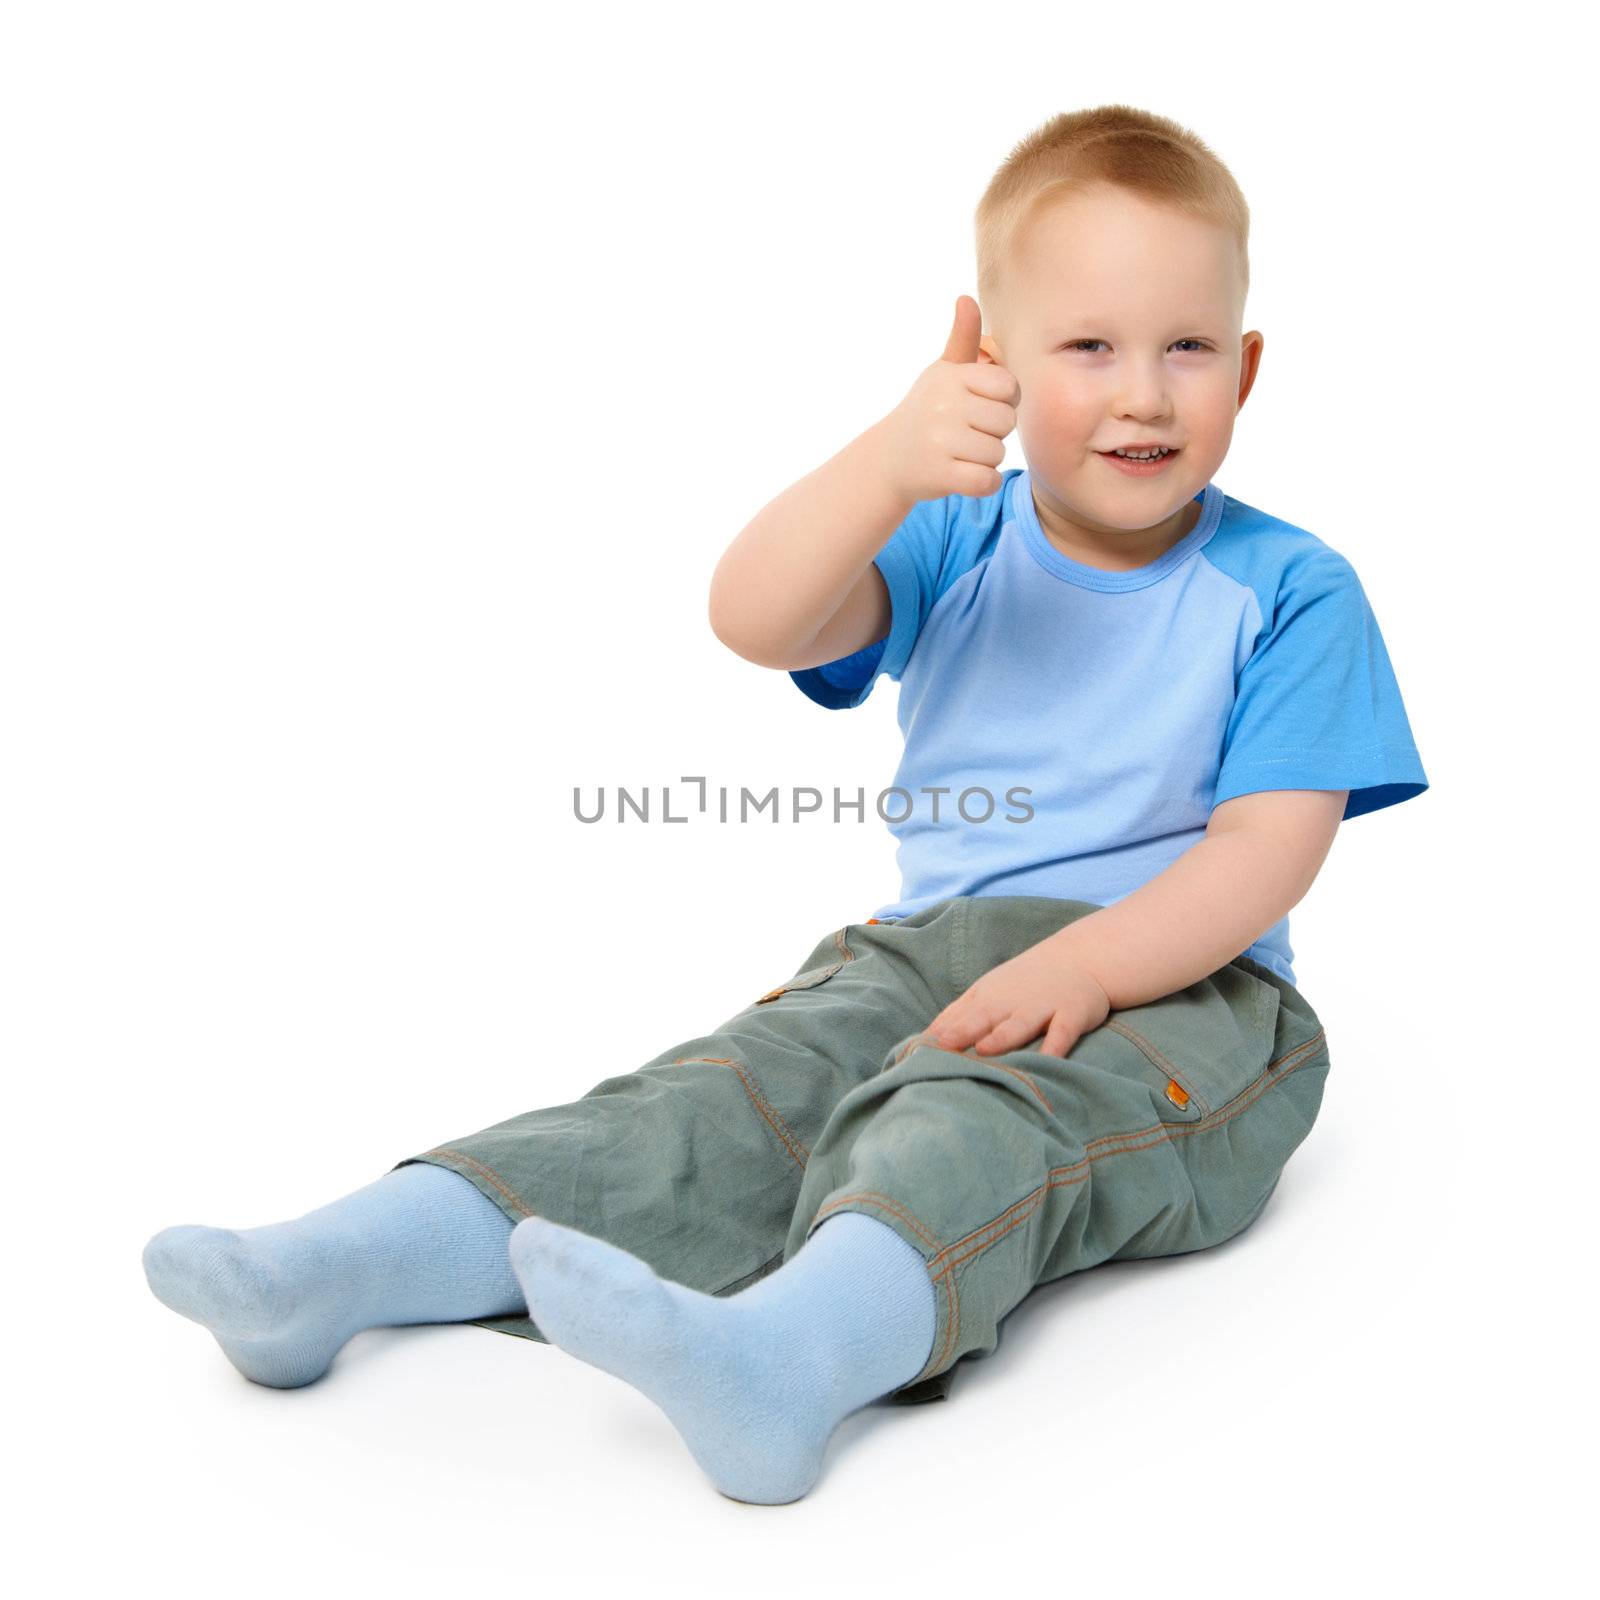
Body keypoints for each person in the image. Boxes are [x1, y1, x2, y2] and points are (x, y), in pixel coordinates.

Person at [142, 104, 1429, 1506]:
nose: (1144, 394)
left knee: (967, 1121)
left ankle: (790, 1364)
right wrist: (888, 460)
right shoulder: (951, 532)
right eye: (1088, 347)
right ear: (992, 362)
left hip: (1192, 988)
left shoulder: (1295, 589)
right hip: (930, 949)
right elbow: (752, 614)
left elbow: (1265, 854)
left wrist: (1090, 963)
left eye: (1187, 347)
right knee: (714, 1101)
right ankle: (333, 1266)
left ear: (1245, 367)